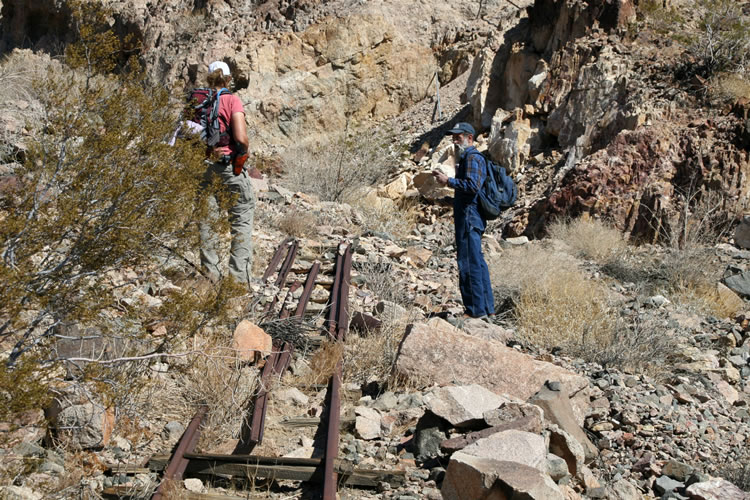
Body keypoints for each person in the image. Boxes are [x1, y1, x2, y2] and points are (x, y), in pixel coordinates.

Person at [199, 60, 255, 285]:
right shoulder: (231, 100)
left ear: (208, 79)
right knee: (241, 219)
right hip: (228, 166)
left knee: (207, 221)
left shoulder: (199, 102)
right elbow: (240, 137)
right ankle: (238, 282)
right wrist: (243, 153)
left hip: (203, 167)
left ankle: (210, 278)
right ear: (229, 79)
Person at [432, 122, 495, 319]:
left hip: (469, 218)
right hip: (470, 215)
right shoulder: (470, 157)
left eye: (458, 137)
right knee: (477, 262)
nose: (454, 140)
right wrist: (451, 200)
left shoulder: (472, 157)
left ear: (469, 137)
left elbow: (472, 186)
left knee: (468, 263)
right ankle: (487, 309)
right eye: (453, 137)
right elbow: (469, 191)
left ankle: (474, 311)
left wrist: (447, 181)